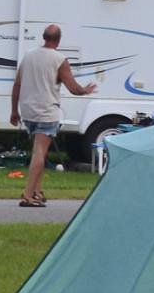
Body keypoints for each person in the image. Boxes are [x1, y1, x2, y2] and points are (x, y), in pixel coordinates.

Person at [11, 24, 96, 207]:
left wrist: (13, 110)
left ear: (43, 37)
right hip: (46, 110)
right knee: (39, 152)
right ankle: (28, 195)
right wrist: (85, 90)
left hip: (27, 110)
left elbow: (17, 84)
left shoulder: (29, 55)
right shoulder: (59, 59)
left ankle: (37, 190)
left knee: (38, 151)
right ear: (58, 39)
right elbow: (72, 88)